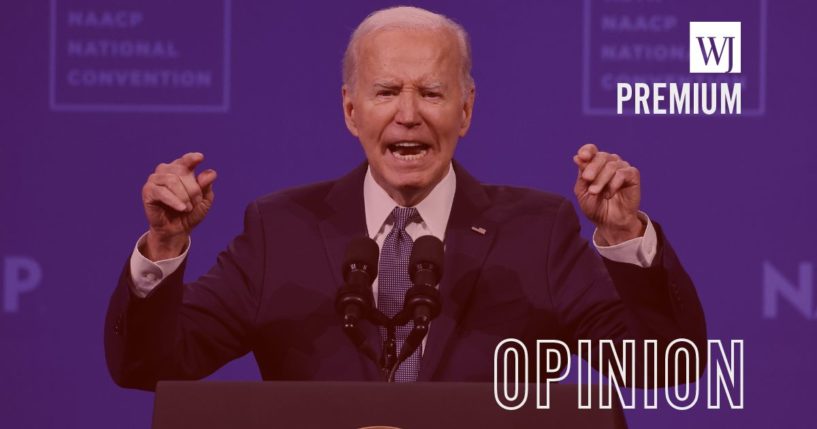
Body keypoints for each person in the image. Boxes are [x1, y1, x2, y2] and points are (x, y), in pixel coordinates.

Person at [105, 6, 705, 390]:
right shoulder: (278, 229)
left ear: (466, 110)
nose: (409, 115)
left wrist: (624, 236)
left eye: (433, 93)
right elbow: (150, 366)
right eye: (387, 90)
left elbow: (661, 367)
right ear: (350, 110)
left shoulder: (536, 230)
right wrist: (164, 245)